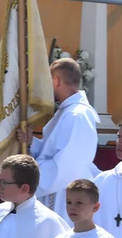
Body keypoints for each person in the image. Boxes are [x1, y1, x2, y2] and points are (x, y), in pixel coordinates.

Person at [15, 58, 99, 223]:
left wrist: (28, 177)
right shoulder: (69, 112)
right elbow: (54, 150)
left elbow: (68, 163)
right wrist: (33, 142)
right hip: (58, 190)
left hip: (63, 196)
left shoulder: (78, 115)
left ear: (56, 80)